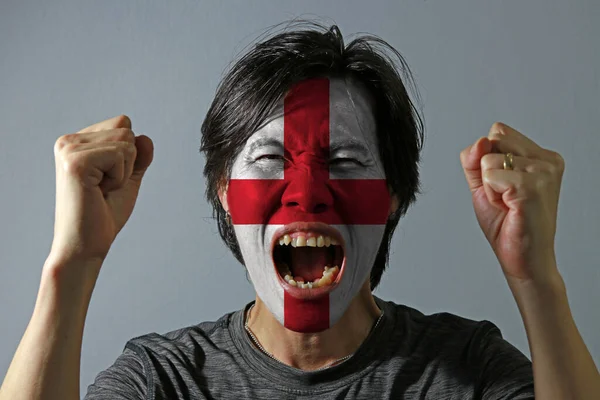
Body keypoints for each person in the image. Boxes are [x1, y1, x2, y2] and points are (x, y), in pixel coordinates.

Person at [1, 22, 598, 400]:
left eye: (343, 160)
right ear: (223, 191)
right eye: (266, 159)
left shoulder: (467, 371)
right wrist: (73, 263)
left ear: (393, 195)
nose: (307, 193)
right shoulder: (164, 380)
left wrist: (536, 278)